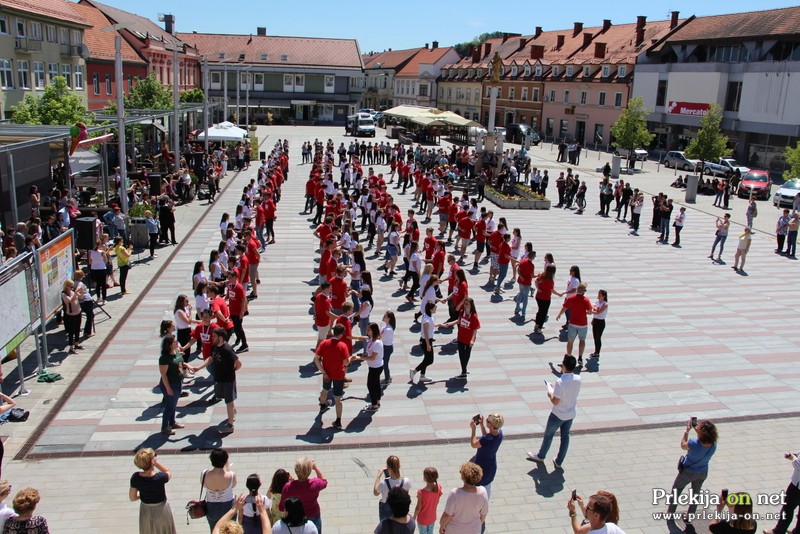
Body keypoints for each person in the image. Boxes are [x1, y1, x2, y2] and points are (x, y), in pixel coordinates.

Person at [527, 354, 582, 468]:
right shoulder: (578, 379)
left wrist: (550, 393)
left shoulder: (560, 382)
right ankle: (559, 461)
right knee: (565, 436)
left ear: (564, 366)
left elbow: (555, 401)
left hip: (558, 414)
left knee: (549, 435)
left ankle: (541, 456)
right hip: (571, 412)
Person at [191, 328, 241, 434]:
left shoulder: (227, 349)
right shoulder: (215, 347)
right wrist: (199, 367)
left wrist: (233, 371)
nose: (212, 338)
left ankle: (230, 425)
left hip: (228, 380)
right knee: (227, 399)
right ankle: (233, 411)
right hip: (219, 378)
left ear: (220, 338)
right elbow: (211, 358)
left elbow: (239, 363)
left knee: (229, 401)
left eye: (214, 336)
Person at [666, 419, 718, 520]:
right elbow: (704, 441)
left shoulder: (694, 443)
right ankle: (690, 515)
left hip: (688, 471)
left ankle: (671, 513)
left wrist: (687, 431)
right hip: (702, 472)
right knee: (695, 493)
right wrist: (700, 432)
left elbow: (683, 445)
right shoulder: (714, 444)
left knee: (677, 489)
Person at [129, 448, 177, 534]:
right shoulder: (160, 477)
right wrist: (155, 463)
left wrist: (143, 495)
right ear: (152, 461)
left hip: (146, 510)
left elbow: (132, 497)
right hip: (162, 510)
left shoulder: (135, 478)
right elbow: (168, 471)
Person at [314, 324, 352, 430]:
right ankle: (338, 421)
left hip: (327, 374)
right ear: (340, 334)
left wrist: (323, 372)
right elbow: (345, 362)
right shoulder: (342, 346)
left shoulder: (324, 343)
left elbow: (316, 358)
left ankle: (322, 405)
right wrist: (350, 360)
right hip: (338, 375)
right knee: (338, 399)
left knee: (325, 390)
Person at [278, 458, 327, 534]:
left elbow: (281, 507)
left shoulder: (288, 487)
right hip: (313, 514)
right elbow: (324, 482)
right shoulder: (315, 483)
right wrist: (316, 468)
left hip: (295, 518)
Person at [439, 462, 489, 534]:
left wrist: (441, 527)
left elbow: (447, 515)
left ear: (463, 477)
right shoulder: (483, 492)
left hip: (455, 530)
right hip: (474, 530)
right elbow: (484, 513)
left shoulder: (455, 493)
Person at [442, 298, 480, 379]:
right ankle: (464, 371)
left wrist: (472, 340)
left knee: (467, 354)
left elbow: (475, 330)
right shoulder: (462, 312)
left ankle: (464, 370)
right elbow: (459, 321)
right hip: (461, 337)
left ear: (471, 305)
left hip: (469, 339)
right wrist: (449, 324)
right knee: (461, 354)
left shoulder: (474, 316)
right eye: (465, 303)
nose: (465, 305)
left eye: (467, 304)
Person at [199, 448, 237, 531]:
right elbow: (233, 485)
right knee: (230, 530)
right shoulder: (231, 475)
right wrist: (228, 468)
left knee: (213, 529)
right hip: (228, 506)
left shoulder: (204, 473)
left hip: (211, 507)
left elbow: (204, 485)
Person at [556, 283, 594, 365]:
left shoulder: (571, 298)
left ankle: (569, 356)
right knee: (582, 340)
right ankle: (580, 357)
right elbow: (590, 312)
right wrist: (586, 312)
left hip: (572, 323)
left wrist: (559, 314)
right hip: (582, 324)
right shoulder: (586, 300)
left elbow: (564, 308)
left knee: (570, 341)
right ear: (584, 292)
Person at [158, 335, 188, 435]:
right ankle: (165, 426)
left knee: (174, 404)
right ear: (169, 345)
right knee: (170, 406)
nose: (177, 343)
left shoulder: (176, 352)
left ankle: (172, 422)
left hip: (178, 382)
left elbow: (180, 363)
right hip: (170, 384)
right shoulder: (164, 359)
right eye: (175, 342)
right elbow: (163, 375)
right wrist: (168, 388)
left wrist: (186, 368)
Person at [764, 451, 800, 534]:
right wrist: (795, 455)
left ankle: (779, 531)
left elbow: (798, 465)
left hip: (797, 486)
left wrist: (793, 458)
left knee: (788, 508)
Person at [470, 413, 504, 500]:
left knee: (477, 491)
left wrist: (473, 429)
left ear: (491, 425)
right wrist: (481, 425)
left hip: (481, 467)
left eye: (488, 421)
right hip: (491, 467)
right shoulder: (500, 433)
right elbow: (487, 436)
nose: (486, 420)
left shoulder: (485, 439)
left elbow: (474, 444)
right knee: (487, 488)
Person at [373, 456, 412, 521]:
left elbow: (375, 492)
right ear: (399, 466)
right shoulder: (406, 481)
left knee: (385, 528)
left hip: (386, 507)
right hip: (400, 508)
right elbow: (406, 495)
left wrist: (378, 476)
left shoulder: (383, 483)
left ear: (388, 468)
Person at [358, 323, 384, 410]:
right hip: (373, 366)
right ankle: (377, 401)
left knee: (370, 385)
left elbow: (372, 357)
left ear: (373, 331)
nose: (367, 331)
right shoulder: (372, 339)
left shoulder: (377, 343)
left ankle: (374, 405)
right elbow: (368, 353)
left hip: (376, 367)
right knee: (376, 384)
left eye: (369, 330)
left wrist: (359, 358)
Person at [410, 302, 438, 384]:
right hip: (426, 341)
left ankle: (422, 376)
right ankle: (415, 371)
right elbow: (425, 332)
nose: (436, 308)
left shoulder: (429, 316)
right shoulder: (426, 319)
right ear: (430, 309)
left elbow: (431, 326)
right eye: (435, 307)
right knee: (429, 360)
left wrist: (439, 325)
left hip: (428, 340)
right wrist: (428, 344)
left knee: (426, 358)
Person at [414, 468, 442, 534]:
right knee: (430, 532)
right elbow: (437, 500)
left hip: (423, 519)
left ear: (425, 478)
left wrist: (414, 516)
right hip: (432, 517)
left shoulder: (421, 492)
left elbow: (418, 507)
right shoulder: (438, 487)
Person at [61, 279, 82, 354]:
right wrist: (76, 293)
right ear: (67, 286)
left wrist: (81, 291)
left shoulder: (72, 291)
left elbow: (81, 297)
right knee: (71, 330)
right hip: (71, 314)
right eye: (71, 286)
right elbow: (71, 301)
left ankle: (77, 343)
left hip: (78, 312)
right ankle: (71, 347)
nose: (72, 287)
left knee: (77, 328)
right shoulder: (64, 294)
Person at [590, 291, 608, 359]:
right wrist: (593, 319)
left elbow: (599, 312)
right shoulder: (597, 302)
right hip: (595, 321)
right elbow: (593, 306)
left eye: (600, 295)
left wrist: (590, 312)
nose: (598, 296)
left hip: (601, 322)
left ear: (604, 296)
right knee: (595, 337)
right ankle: (595, 352)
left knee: (598, 337)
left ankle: (597, 352)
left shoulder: (605, 304)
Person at [380, 312, 396, 384]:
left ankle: (387, 378)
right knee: (384, 363)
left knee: (384, 363)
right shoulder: (386, 326)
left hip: (387, 348)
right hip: (385, 347)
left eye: (385, 316)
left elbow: (381, 337)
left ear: (389, 318)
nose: (383, 317)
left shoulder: (388, 329)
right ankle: (387, 377)